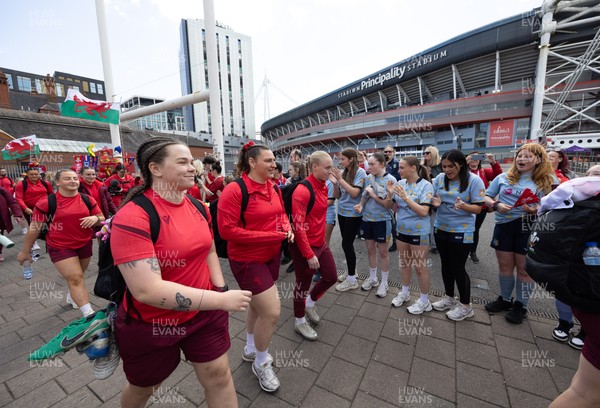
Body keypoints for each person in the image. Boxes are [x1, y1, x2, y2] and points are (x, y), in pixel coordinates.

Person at [109, 137, 251, 407]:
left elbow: (209, 249)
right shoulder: (133, 216)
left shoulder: (197, 206)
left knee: (219, 376)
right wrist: (221, 300)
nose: (193, 168)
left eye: (192, 162)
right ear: (155, 169)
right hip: (153, 323)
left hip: (204, 315)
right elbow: (147, 289)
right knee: (144, 388)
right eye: (183, 162)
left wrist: (218, 288)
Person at [218, 142, 293, 393]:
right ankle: (261, 362)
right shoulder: (234, 190)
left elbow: (281, 214)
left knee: (256, 304)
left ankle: (251, 348)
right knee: (272, 312)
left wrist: (287, 227)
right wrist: (271, 236)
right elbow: (226, 230)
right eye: (269, 160)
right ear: (252, 162)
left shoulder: (273, 187)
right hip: (247, 260)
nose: (274, 165)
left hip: (270, 256)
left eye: (274, 160)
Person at [484, 143, 555, 324]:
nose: (521, 159)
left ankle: (521, 306)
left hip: (528, 227)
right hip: (504, 226)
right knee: (505, 267)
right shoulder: (503, 177)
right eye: (520, 156)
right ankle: (505, 300)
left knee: (524, 271)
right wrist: (496, 205)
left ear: (538, 159)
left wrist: (536, 209)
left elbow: (552, 206)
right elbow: (485, 196)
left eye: (527, 156)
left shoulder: (545, 181)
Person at [17, 169, 105, 315]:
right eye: (67, 178)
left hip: (84, 243)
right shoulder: (46, 203)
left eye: (75, 178)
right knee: (76, 277)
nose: (73, 181)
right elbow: (34, 228)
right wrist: (25, 251)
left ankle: (72, 296)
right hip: (60, 246)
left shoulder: (87, 199)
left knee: (79, 275)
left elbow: (101, 216)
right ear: (57, 182)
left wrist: (95, 219)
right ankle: (90, 315)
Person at [430, 149, 485, 321]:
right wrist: (436, 204)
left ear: (460, 164)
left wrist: (464, 206)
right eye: (444, 166)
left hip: (462, 231)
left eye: (450, 166)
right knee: (445, 264)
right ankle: (449, 298)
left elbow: (479, 208)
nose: (446, 170)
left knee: (458, 267)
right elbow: (433, 200)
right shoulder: (439, 179)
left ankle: (466, 306)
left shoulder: (474, 181)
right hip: (441, 228)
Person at [290, 151, 337, 341]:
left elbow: (327, 206)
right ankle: (299, 321)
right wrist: (309, 254)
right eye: (327, 167)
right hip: (304, 247)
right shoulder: (302, 190)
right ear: (314, 167)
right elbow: (298, 226)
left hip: (320, 243)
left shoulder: (324, 184)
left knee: (331, 277)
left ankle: (310, 303)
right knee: (302, 284)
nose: (330, 171)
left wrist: (335, 183)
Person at [545, 148, 584, 345]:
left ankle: (586, 329)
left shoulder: (569, 178)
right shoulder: (549, 179)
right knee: (563, 281)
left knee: (589, 286)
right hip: (564, 239)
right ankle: (564, 323)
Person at [388, 156, 434, 314]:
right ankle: (405, 292)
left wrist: (406, 198)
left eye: (402, 167)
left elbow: (423, 211)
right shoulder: (400, 184)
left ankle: (424, 301)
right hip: (401, 231)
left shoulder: (426, 186)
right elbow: (390, 205)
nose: (398, 170)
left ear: (413, 168)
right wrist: (389, 194)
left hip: (419, 232)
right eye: (399, 167)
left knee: (420, 268)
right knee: (405, 263)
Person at [354, 152, 397, 298]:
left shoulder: (391, 180)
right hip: (367, 219)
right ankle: (373, 278)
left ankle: (384, 282)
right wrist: (360, 204)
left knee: (383, 252)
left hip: (382, 220)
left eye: (372, 164)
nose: (369, 167)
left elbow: (388, 205)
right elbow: (365, 195)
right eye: (369, 164)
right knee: (370, 249)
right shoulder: (368, 178)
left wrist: (373, 195)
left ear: (382, 164)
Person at [332, 148, 367, 291]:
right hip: (342, 212)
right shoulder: (344, 173)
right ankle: (351, 271)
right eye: (339, 159)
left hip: (353, 214)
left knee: (346, 243)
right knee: (347, 244)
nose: (340, 162)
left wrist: (340, 179)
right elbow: (338, 196)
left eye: (342, 159)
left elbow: (354, 193)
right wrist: (335, 184)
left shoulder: (360, 172)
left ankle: (352, 280)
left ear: (351, 159)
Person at [466, 152, 502, 263]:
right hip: (467, 205)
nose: (474, 160)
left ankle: (473, 252)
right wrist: (464, 163)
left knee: (475, 230)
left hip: (482, 207)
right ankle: (463, 249)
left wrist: (493, 162)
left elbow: (498, 176)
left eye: (477, 157)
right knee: (466, 229)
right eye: (472, 157)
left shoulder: (483, 171)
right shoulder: (464, 172)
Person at [15, 167, 54, 247]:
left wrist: (53, 205)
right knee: (33, 227)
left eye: (36, 174)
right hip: (30, 209)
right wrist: (25, 208)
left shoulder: (45, 183)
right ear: (27, 175)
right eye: (31, 174)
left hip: (45, 208)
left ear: (39, 174)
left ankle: (51, 241)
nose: (34, 176)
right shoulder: (22, 184)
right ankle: (33, 243)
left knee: (50, 224)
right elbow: (19, 198)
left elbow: (51, 195)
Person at [422, 146, 443, 254]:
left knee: (436, 222)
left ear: (434, 154)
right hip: (425, 196)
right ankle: (432, 244)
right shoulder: (421, 167)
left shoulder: (440, 167)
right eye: (424, 153)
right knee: (429, 222)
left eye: (428, 153)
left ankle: (436, 244)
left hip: (438, 197)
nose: (425, 155)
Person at [0, 186, 23, 262]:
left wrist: (17, 214)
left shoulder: (1, 190)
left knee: (0, 235)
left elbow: (12, 202)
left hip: (1, 218)